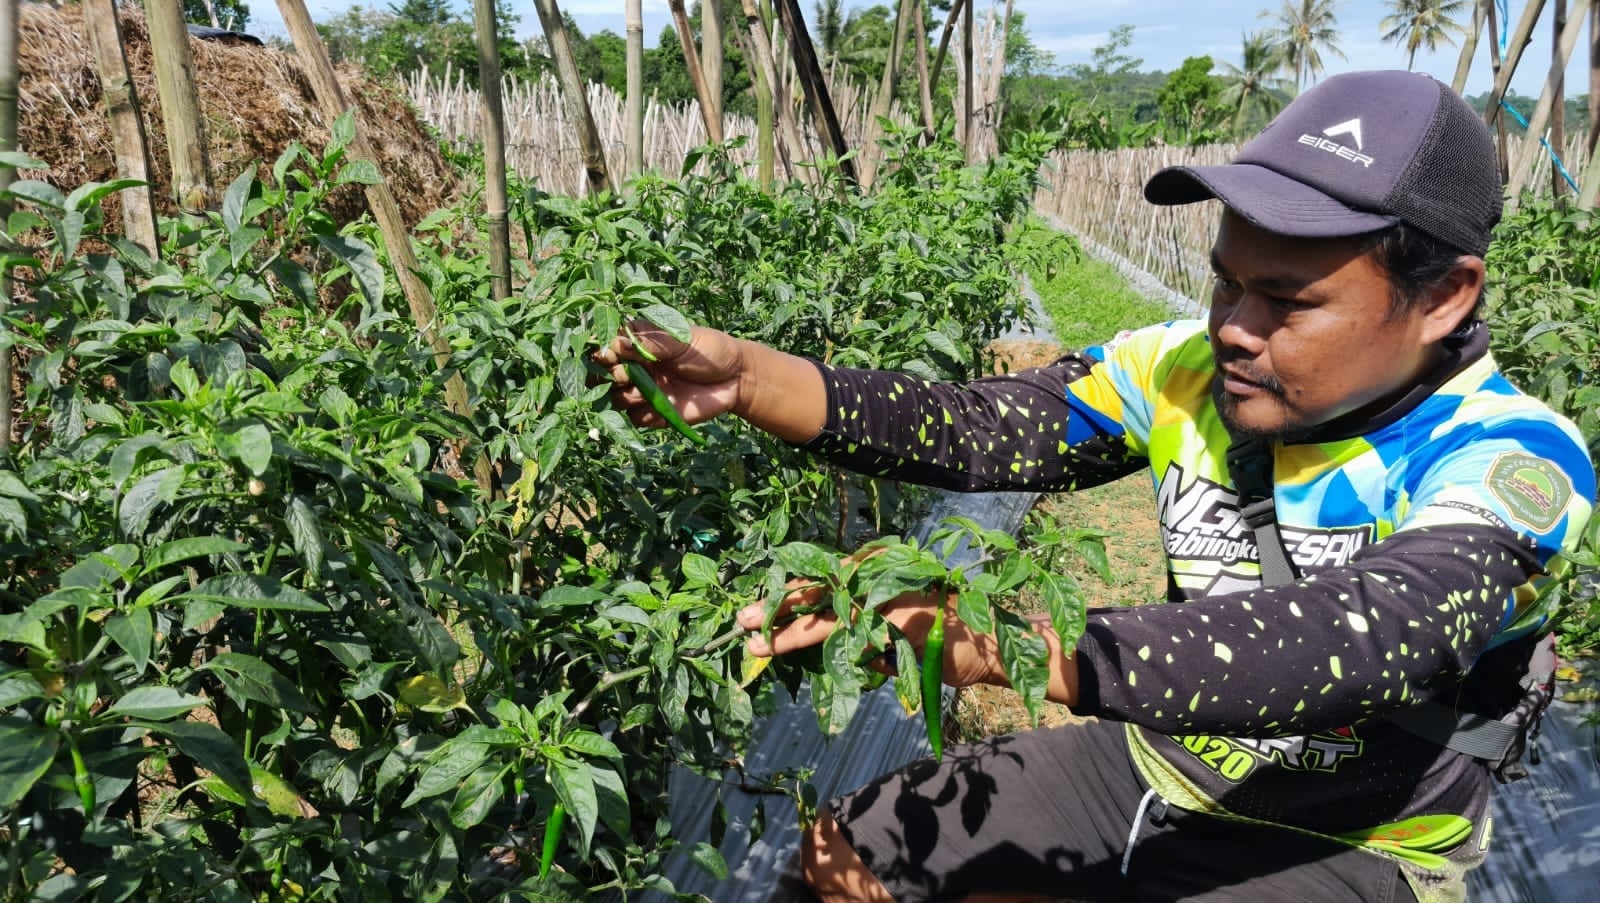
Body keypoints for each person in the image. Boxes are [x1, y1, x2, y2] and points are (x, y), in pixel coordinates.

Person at [596, 70, 1596, 902]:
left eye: (1288, 302)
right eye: (1227, 280)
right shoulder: (1182, 371)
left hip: (1351, 844)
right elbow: (983, 431)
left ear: (1444, 296)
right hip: (1155, 766)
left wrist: (993, 643)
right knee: (847, 855)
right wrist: (747, 379)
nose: (1234, 328)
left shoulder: (1508, 459)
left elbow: (1365, 636)